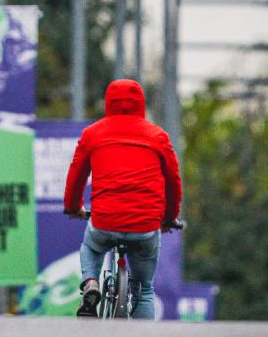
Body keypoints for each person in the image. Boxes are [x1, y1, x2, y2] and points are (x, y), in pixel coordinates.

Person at [63, 78, 183, 320]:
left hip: (105, 222)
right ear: (141, 103)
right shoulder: (158, 136)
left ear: (108, 102)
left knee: (91, 246)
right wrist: (169, 218)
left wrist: (73, 207)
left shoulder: (93, 134)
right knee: (144, 289)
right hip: (145, 227)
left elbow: (76, 176)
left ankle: (90, 283)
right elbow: (173, 181)